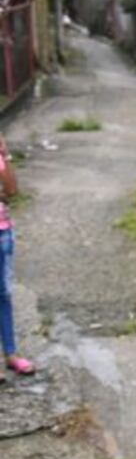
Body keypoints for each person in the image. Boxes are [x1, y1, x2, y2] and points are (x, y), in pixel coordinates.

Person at [0, 135, 36, 384]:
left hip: (2, 231)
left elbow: (11, 190)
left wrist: (4, 155)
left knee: (3, 294)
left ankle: (11, 354)